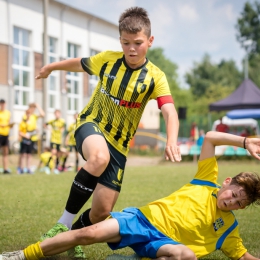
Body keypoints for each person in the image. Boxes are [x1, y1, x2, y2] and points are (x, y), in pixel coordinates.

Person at [34, 6, 181, 258]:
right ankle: (63, 224)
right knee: (99, 157)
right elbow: (78, 64)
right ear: (120, 40)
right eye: (126, 43)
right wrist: (51, 67)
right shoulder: (107, 60)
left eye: (138, 43)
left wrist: (172, 139)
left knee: (101, 212)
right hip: (91, 124)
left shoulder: (156, 77)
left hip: (120, 146)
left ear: (150, 41)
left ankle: (69, 239)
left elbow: (169, 111)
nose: (131, 49)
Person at [2, 131, 260, 260]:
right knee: (87, 234)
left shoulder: (228, 229)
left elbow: (245, 257)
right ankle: (22, 255)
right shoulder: (206, 180)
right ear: (226, 182)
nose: (232, 202)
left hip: (164, 244)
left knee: (187, 256)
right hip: (141, 220)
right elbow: (211, 138)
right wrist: (245, 141)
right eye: (234, 193)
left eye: (240, 203)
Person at [17, 103, 45, 174]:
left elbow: (42, 114)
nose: (33, 110)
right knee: (23, 154)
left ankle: (28, 168)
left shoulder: (34, 116)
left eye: (34, 108)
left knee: (29, 154)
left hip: (32, 137)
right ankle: (21, 168)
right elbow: (22, 127)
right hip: (25, 136)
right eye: (32, 108)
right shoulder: (25, 116)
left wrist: (38, 106)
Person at [0, 99, 13, 174]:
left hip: (6, 134)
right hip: (0, 134)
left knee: (5, 152)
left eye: (3, 104)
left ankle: (5, 169)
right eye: (1, 104)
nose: (2, 105)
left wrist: (10, 125)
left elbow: (8, 123)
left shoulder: (8, 113)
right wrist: (2, 125)